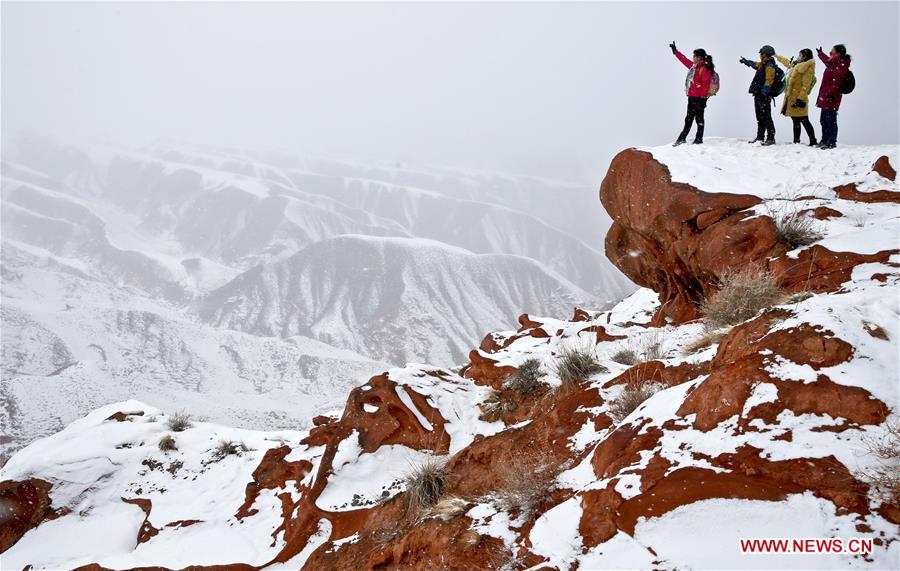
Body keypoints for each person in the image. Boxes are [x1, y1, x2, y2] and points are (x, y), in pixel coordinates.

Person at [669, 42, 715, 146]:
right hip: (692, 97)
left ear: (699, 57)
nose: (693, 57)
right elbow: (684, 60)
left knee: (699, 118)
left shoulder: (705, 69)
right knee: (689, 118)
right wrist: (675, 51)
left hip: (699, 98)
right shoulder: (694, 67)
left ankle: (698, 139)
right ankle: (682, 138)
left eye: (694, 56)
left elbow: (705, 85)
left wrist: (703, 100)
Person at [776, 49, 818, 146]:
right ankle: (796, 141)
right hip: (792, 97)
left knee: (804, 120)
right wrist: (777, 56)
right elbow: (788, 63)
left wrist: (800, 99)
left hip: (798, 98)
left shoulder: (807, 67)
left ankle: (812, 140)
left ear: (805, 56)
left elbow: (806, 85)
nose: (798, 57)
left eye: (800, 55)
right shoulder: (797, 65)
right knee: (796, 120)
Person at [740, 45, 780, 145]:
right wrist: (746, 62)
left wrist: (764, 93)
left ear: (765, 54)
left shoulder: (769, 65)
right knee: (760, 117)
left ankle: (771, 138)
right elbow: (755, 64)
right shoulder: (763, 64)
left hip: (763, 95)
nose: (760, 55)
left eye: (761, 53)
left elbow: (769, 80)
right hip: (758, 94)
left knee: (766, 116)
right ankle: (760, 137)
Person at [815, 44, 851, 149]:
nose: (830, 53)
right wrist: (820, 54)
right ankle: (825, 140)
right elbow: (827, 60)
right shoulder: (833, 63)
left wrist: (832, 94)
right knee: (823, 120)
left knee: (830, 120)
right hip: (825, 95)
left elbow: (837, 81)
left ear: (838, 54)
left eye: (832, 52)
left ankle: (831, 142)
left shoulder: (842, 65)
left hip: (832, 96)